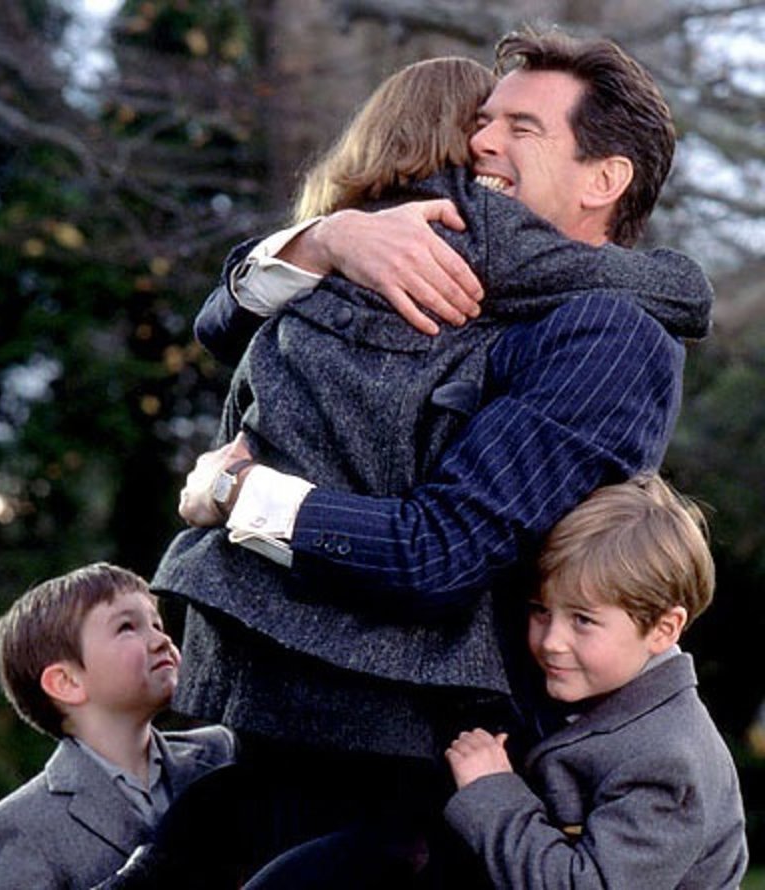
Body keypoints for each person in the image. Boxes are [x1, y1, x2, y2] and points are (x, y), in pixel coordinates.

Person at [154, 29, 713, 881]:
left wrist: (242, 498)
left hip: (428, 767)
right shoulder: (447, 271)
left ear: (604, 180)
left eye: (521, 128)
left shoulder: (609, 335)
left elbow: (440, 551)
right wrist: (325, 241)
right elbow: (225, 325)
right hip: (283, 723)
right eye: (484, 120)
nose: (480, 141)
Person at [445, 475, 749, 887]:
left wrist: (491, 791)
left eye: (583, 620)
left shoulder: (666, 761)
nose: (551, 641)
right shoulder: (604, 704)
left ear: (664, 628)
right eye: (541, 610)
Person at [0, 562, 237, 890]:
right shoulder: (22, 823)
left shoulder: (220, 752)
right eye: (127, 627)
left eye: (156, 624)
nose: (161, 640)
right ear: (67, 682)